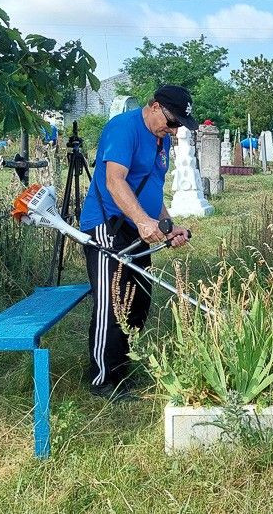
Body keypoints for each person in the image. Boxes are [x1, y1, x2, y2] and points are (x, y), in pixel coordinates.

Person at [79, 85, 197, 399]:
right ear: (155, 106)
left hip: (137, 226)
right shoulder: (123, 128)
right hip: (108, 225)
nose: (174, 130)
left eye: (179, 125)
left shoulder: (161, 138)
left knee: (138, 301)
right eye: (172, 122)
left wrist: (167, 226)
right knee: (112, 303)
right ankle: (103, 380)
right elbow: (114, 180)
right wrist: (143, 221)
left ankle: (121, 370)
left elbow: (152, 189)